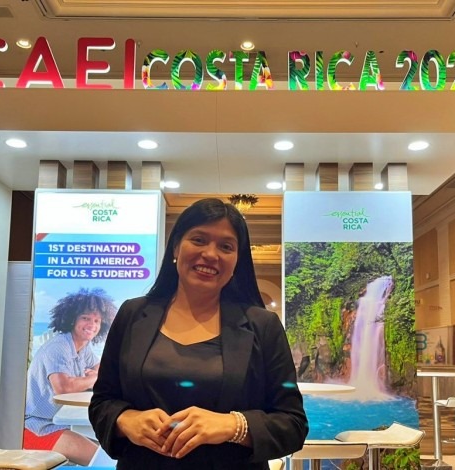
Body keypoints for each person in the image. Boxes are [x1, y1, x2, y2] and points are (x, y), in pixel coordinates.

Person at [89, 198, 308, 469]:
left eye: (226, 246)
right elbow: (102, 402)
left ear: (237, 260)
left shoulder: (263, 326)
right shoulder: (133, 315)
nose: (211, 254)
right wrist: (125, 420)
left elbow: (293, 424)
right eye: (199, 240)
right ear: (176, 247)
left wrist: (233, 424)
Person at [24, 287, 117, 465]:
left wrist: (93, 376)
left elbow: (105, 371)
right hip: (37, 428)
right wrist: (94, 378)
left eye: (97, 321)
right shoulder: (59, 346)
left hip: (61, 423)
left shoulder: (82, 346)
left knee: (112, 451)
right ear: (72, 319)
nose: (92, 325)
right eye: (86, 318)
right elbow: (64, 387)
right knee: (103, 462)